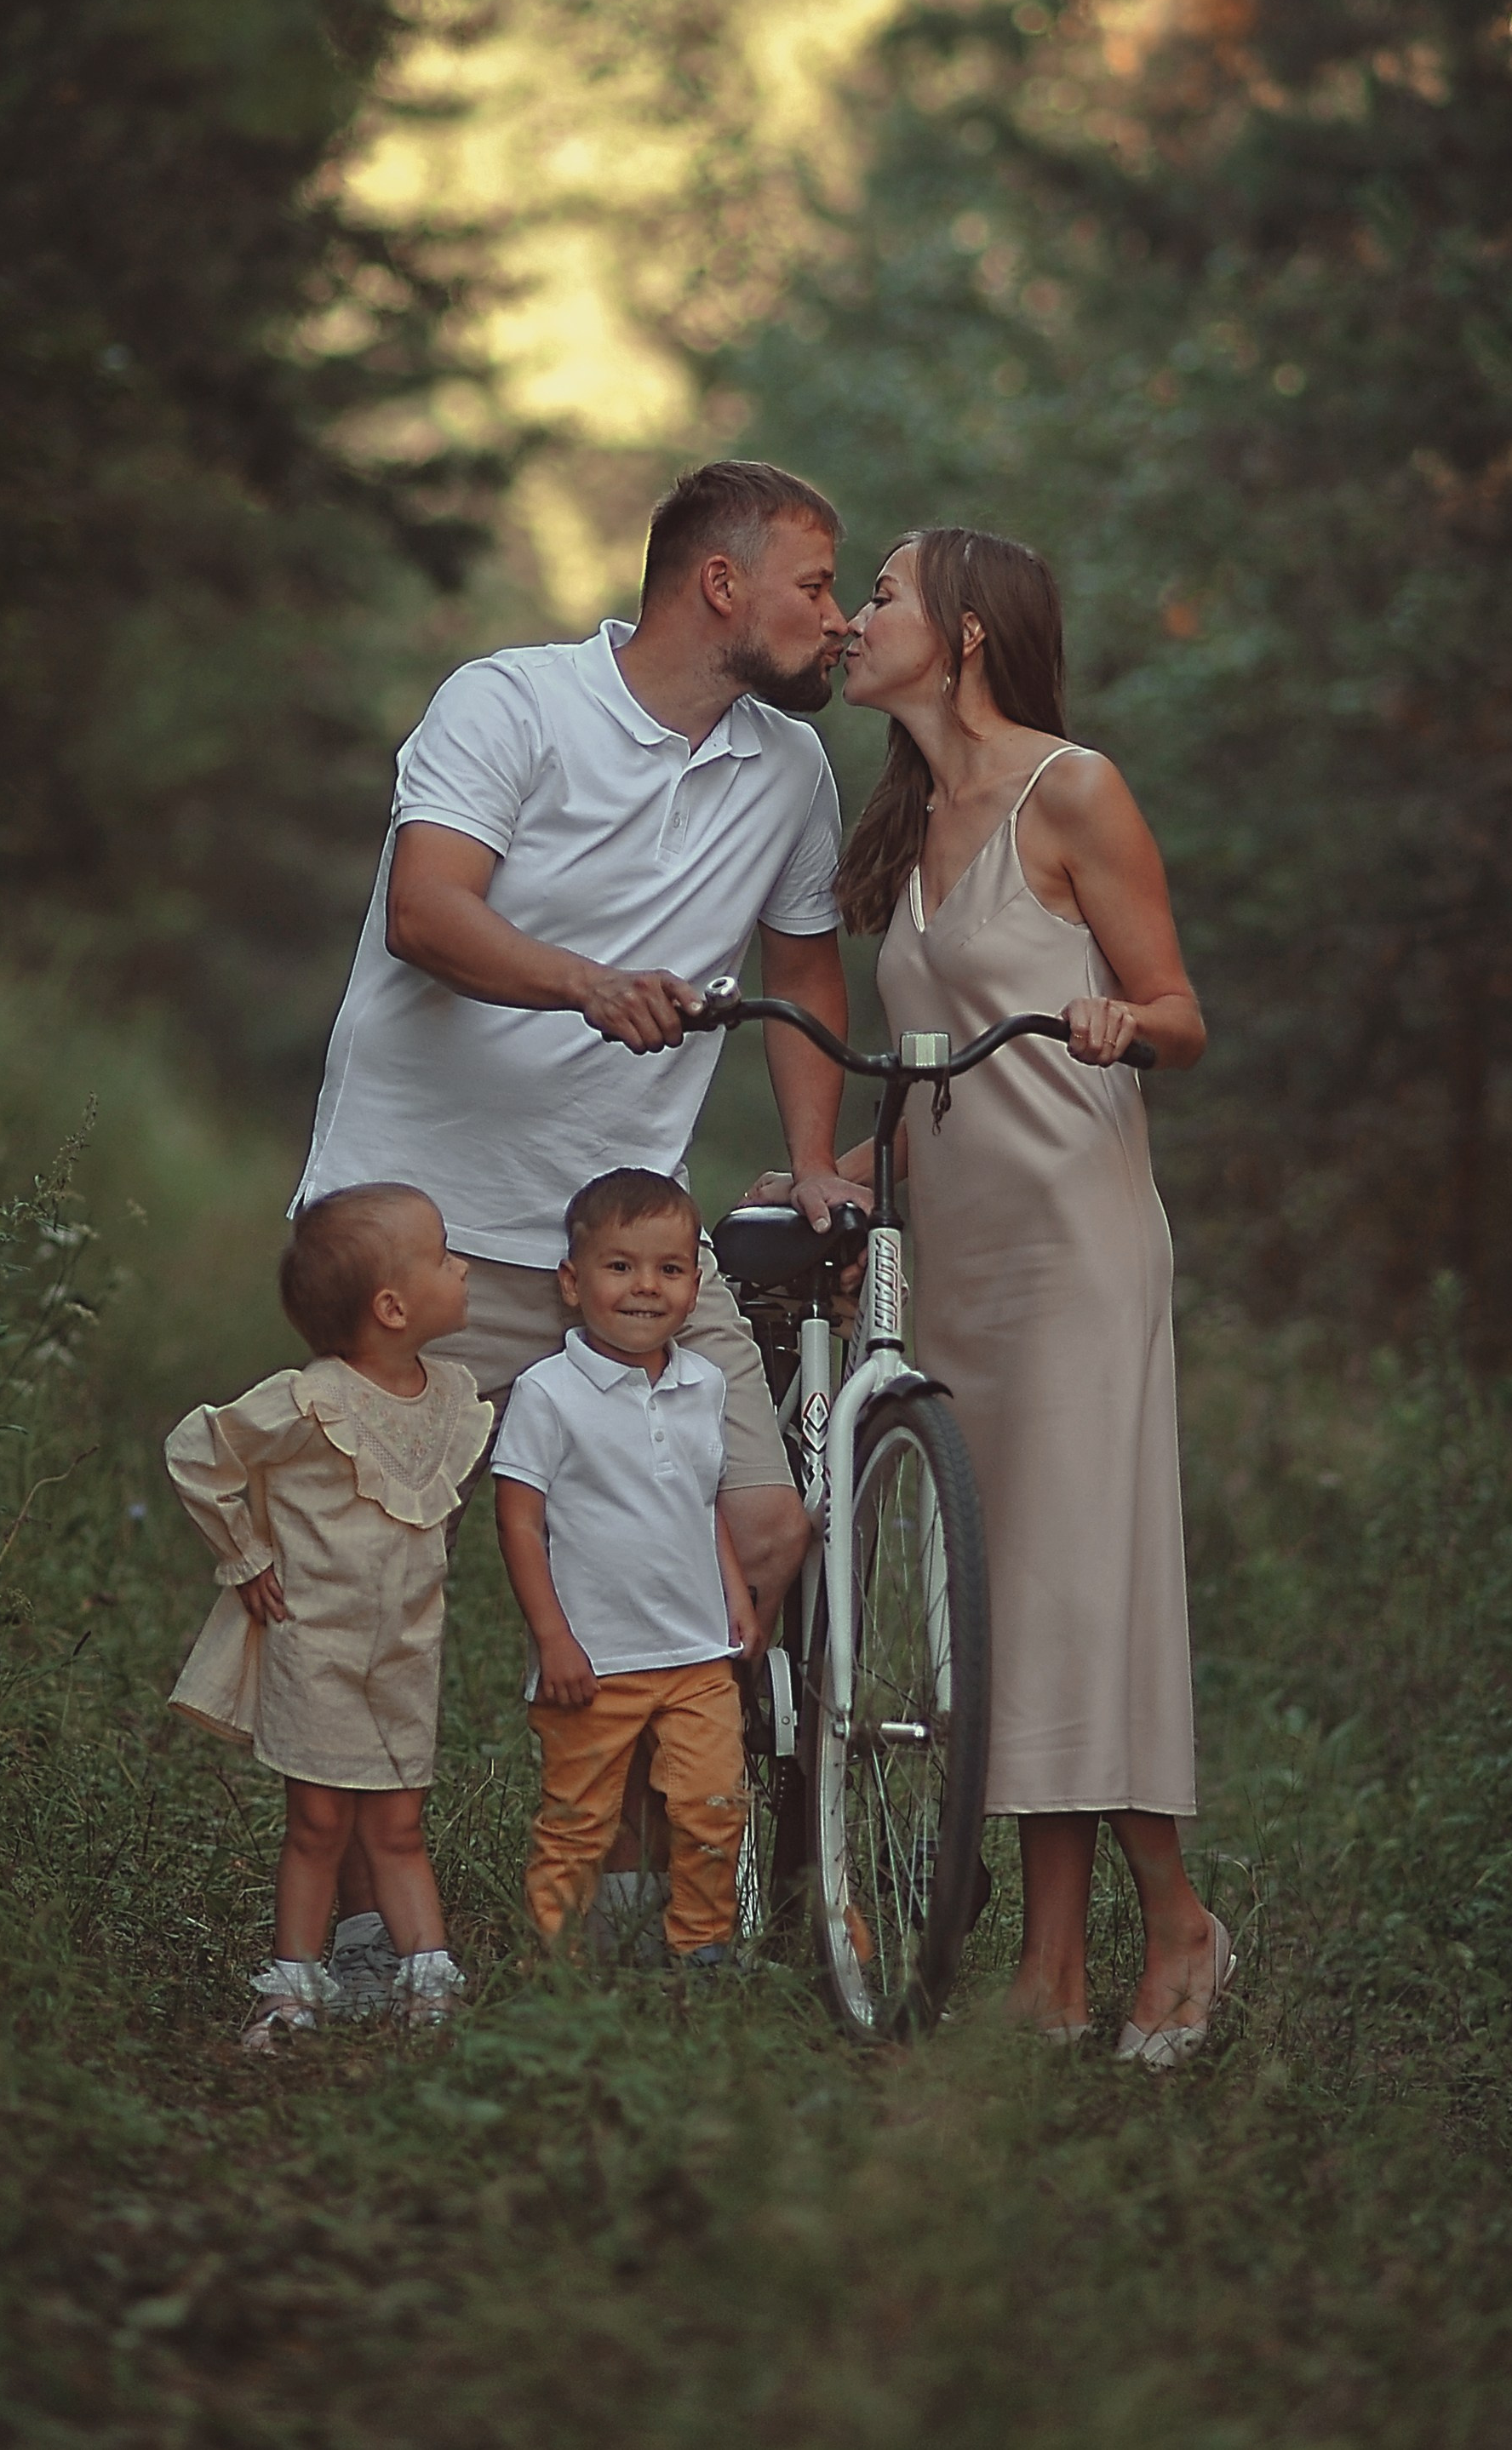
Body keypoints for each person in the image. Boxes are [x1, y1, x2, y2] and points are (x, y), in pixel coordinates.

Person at [297, 461, 865, 1943]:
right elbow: (425, 909)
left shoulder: (791, 770)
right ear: (719, 583)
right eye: (815, 585)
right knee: (375, 1587)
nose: (838, 619)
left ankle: (628, 1896)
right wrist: (586, 984)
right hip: (419, 1224)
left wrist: (814, 1159)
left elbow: (806, 971)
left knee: (755, 1525)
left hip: (625, 1242)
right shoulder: (510, 702)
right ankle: (357, 1937)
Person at [827, 525, 1230, 2065]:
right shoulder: (907, 819)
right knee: (1003, 1606)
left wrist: (1123, 1020)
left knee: (1069, 1586)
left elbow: (1181, 1013)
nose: (853, 616)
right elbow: (925, 1076)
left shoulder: (1072, 789)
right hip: (961, 1255)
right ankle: (1048, 1971)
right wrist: (841, 1177)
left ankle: (1174, 1919)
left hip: (1074, 1241)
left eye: (879, 592)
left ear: (966, 630)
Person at [164, 1183, 489, 2049]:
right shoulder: (312, 1400)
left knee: (399, 1826)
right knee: (316, 1826)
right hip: (318, 1650)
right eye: (444, 1256)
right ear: (392, 1307)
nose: (462, 1268)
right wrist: (244, 1556)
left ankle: (427, 1989)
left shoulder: (450, 1396)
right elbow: (198, 1452)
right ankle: (293, 1991)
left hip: (406, 1654)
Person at [491, 1169, 764, 1968]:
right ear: (572, 1283)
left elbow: (702, 1499)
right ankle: (556, 1966)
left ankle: (702, 1949)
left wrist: (733, 1595)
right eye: (620, 1266)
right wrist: (553, 1640)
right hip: (594, 1662)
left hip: (696, 1655)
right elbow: (519, 1520)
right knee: (578, 1821)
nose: (646, 1287)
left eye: (669, 1269)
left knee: (713, 1805)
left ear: (694, 1285)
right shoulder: (548, 1393)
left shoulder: (703, 1383)